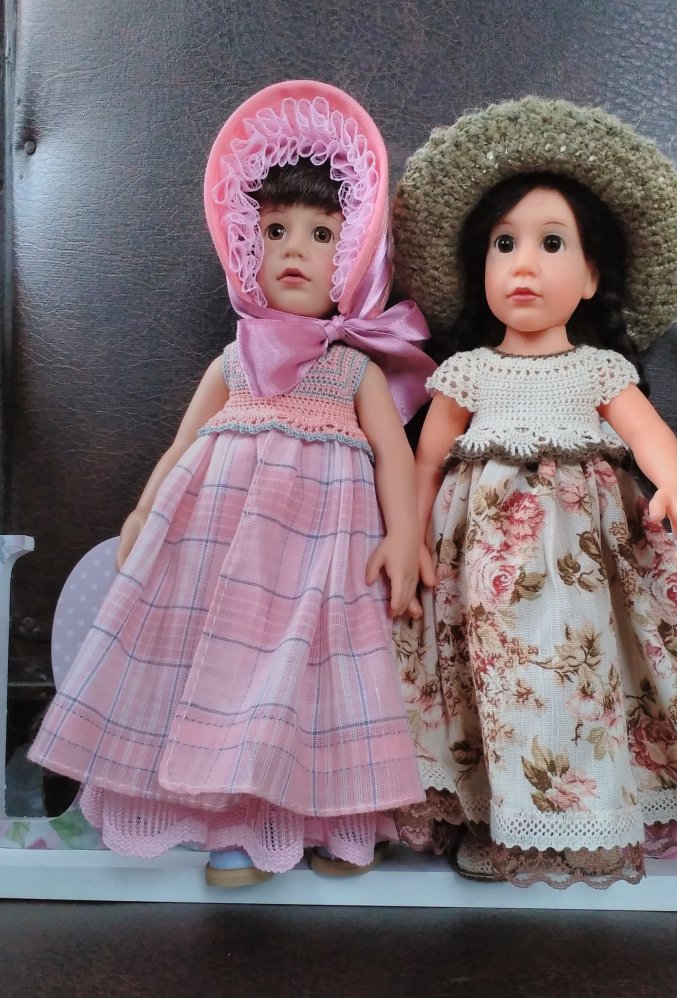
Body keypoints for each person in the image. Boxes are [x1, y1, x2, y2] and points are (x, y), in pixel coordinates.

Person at [391, 96, 677, 888]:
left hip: (581, 577)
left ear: (589, 276)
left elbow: (650, 434)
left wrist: (675, 483)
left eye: (551, 243)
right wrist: (411, 537)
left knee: (571, 683)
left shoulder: (597, 371)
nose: (523, 264)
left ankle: (578, 819)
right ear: (479, 268)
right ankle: (495, 820)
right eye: (504, 244)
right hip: (477, 580)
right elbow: (425, 460)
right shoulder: (468, 373)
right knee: (492, 685)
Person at [29, 80, 433, 887]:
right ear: (247, 245)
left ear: (354, 253)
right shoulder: (234, 361)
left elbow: (395, 456)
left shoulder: (352, 368)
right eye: (275, 230)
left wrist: (402, 537)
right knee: (217, 676)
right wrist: (145, 509)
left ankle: (336, 824)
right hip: (222, 554)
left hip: (323, 555)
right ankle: (232, 828)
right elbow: (185, 443)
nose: (294, 249)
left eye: (321, 234)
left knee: (327, 678)